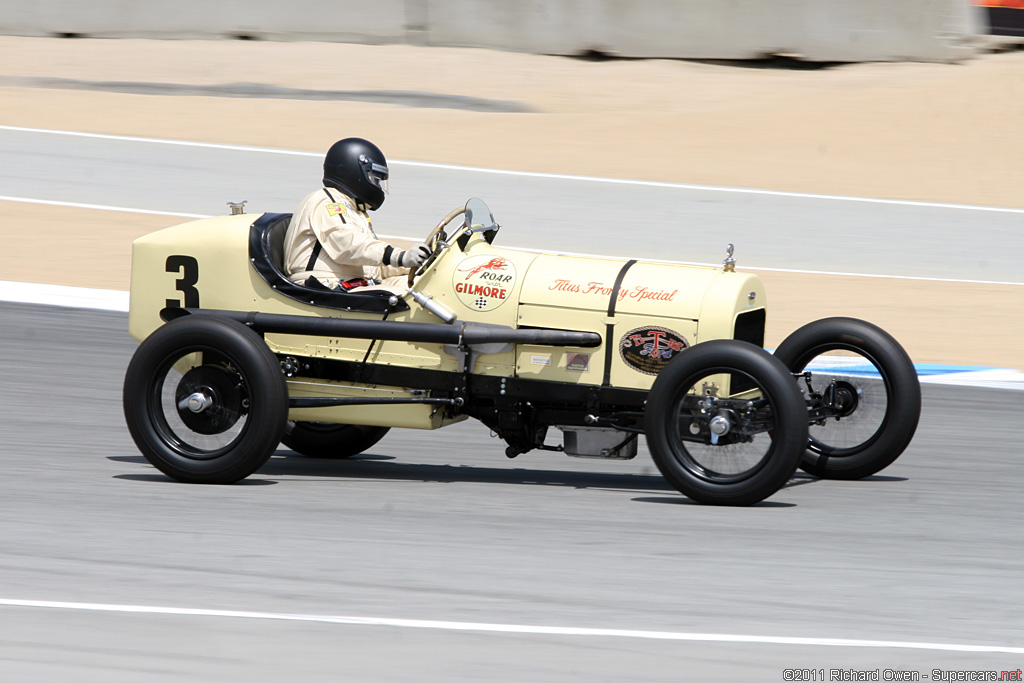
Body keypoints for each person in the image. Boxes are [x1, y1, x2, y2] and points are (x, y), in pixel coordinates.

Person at [283, 138, 430, 293]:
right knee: (407, 297)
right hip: (320, 286)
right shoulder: (327, 201)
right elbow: (347, 245)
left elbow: (371, 269)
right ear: (352, 171)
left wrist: (417, 264)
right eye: (374, 178)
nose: (378, 186)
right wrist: (399, 256)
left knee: (427, 285)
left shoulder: (355, 211)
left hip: (350, 283)